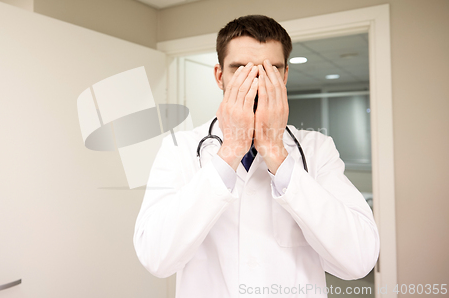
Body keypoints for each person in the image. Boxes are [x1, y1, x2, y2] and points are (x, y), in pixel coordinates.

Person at [133, 15, 380, 297]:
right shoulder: (179, 148)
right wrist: (231, 151)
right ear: (219, 75)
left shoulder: (317, 148)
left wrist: (276, 152)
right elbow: (156, 258)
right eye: (240, 69)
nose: (256, 81)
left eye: (270, 69)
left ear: (285, 75)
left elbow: (359, 260)